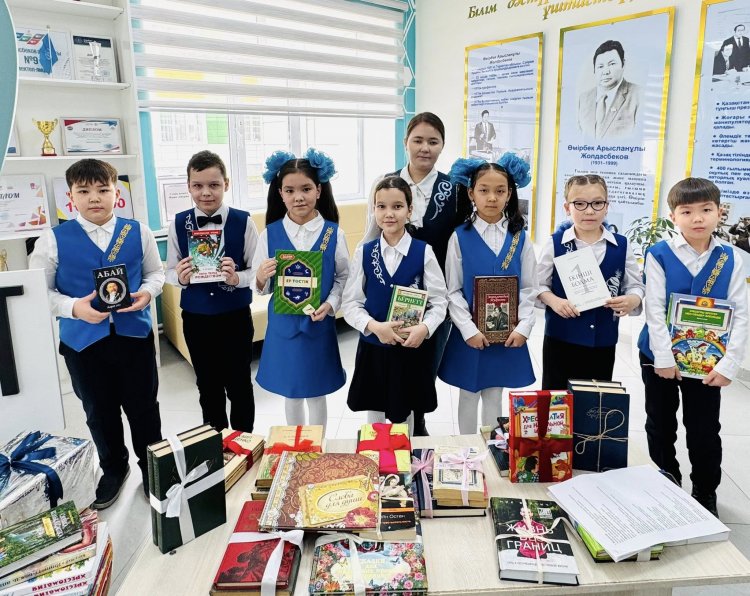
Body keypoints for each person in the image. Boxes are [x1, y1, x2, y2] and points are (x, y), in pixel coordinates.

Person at [29, 159, 164, 508]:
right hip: (83, 343)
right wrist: (75, 307)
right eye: (84, 190)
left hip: (134, 337)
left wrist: (147, 292)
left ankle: (153, 470)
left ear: (116, 193)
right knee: (99, 411)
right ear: (71, 197)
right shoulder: (52, 240)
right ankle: (114, 469)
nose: (94, 198)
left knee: (144, 408)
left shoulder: (139, 231)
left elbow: (156, 273)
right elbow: (39, 292)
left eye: (103, 189)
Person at [637, 177, 748, 518]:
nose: (697, 218)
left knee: (704, 429)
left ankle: (705, 490)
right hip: (658, 358)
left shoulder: (732, 257)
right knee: (660, 424)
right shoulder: (659, 253)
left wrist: (729, 364)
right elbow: (654, 308)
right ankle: (666, 482)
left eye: (706, 210)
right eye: (687, 211)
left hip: (708, 363)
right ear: (674, 216)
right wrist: (663, 358)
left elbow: (741, 314)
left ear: (719, 213)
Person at [362, 112, 469, 435]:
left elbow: (461, 244)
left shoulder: (456, 190)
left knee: (424, 367)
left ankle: (416, 425)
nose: (425, 148)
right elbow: (370, 235)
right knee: (387, 366)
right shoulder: (386, 183)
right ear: (405, 142)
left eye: (433, 141)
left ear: (442, 146)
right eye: (418, 140)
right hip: (387, 292)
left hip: (435, 296)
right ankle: (387, 433)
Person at [437, 154, 538, 434]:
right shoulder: (459, 236)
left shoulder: (520, 237)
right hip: (470, 333)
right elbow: (452, 290)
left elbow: (529, 288)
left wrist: (524, 326)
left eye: (500, 191)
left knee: (495, 394)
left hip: (508, 334)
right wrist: (468, 329)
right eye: (484, 190)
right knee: (468, 393)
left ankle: (493, 448)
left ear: (509, 194)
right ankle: (468, 449)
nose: (492, 198)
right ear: (471, 193)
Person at [252, 149, 349, 430]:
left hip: (318, 325)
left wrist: (331, 304)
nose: (298, 197)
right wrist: (260, 277)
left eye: (306, 189)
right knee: (291, 392)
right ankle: (296, 445)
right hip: (283, 326)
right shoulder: (269, 234)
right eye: (290, 190)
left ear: (319, 190)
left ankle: (317, 445)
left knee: (317, 392)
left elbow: (344, 277)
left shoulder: (333, 233)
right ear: (280, 194)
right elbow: (260, 288)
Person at [343, 176, 447, 433]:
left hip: (410, 352)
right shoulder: (364, 252)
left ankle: (405, 454)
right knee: (375, 413)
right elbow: (351, 303)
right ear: (374, 210)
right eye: (381, 206)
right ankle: (375, 454)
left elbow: (439, 301)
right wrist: (374, 326)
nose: (389, 213)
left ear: (410, 210)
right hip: (374, 349)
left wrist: (424, 328)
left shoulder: (424, 252)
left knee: (405, 414)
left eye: (397, 206)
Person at [166, 150, 258, 432]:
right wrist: (181, 277)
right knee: (207, 385)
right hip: (196, 318)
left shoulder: (244, 221)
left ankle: (245, 442)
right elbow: (168, 271)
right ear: (189, 186)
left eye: (214, 185)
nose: (206, 192)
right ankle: (215, 442)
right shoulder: (178, 223)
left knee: (240, 384)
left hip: (235, 316)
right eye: (198, 185)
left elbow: (257, 271)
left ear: (226, 184)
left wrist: (237, 278)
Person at [537, 175, 644, 390]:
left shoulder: (621, 245)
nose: (589, 211)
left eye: (597, 203)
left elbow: (635, 285)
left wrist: (633, 299)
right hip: (560, 339)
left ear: (606, 207)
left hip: (603, 342)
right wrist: (554, 301)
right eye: (579, 204)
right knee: (557, 400)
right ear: (567, 208)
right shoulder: (555, 243)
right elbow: (538, 285)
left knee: (595, 401)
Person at [577, 40, 640, 139]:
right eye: (600, 66)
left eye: (612, 64)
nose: (606, 72)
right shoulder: (584, 98)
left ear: (623, 64)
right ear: (594, 70)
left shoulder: (638, 94)